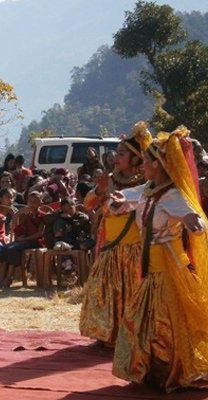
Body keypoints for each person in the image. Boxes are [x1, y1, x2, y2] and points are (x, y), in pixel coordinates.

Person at [111, 127, 208, 392]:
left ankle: (170, 370)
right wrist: (118, 201)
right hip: (150, 267)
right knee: (143, 318)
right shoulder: (149, 189)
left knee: (165, 321)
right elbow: (128, 200)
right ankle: (153, 369)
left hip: (169, 268)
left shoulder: (173, 195)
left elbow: (196, 220)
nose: (142, 164)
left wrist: (193, 222)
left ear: (158, 164)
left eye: (145, 161)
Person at [79, 122, 151, 346]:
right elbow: (89, 204)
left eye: (121, 154)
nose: (115, 157)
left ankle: (131, 334)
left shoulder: (146, 183)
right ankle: (105, 333)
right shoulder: (109, 179)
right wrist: (99, 190)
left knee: (132, 291)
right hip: (111, 245)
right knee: (104, 288)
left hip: (136, 246)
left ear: (136, 158)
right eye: (117, 153)